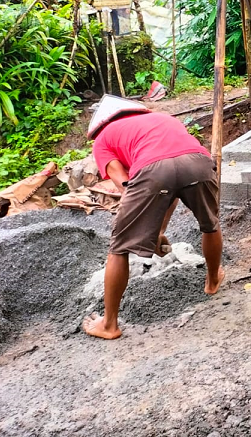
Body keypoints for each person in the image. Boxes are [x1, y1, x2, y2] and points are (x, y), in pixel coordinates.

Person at [82, 95, 224, 340]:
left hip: (153, 170)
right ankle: (212, 281)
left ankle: (109, 325)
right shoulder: (161, 119)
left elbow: (126, 184)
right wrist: (157, 232)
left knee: (118, 248)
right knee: (210, 225)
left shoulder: (103, 139)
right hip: (199, 163)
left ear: (100, 124)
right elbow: (174, 186)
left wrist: (138, 225)